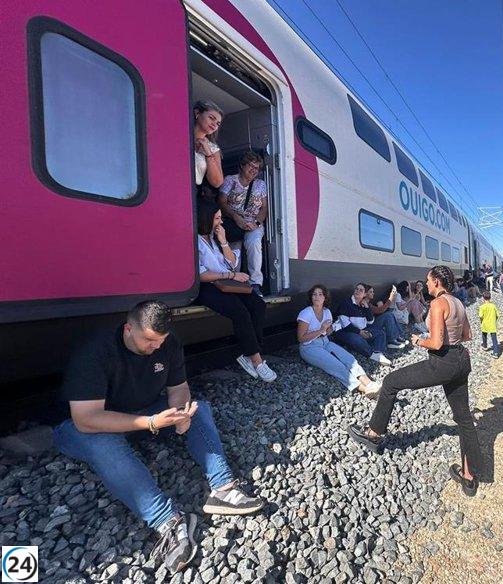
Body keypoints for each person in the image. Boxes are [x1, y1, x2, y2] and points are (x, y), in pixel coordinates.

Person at [53, 301, 263, 574]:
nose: (156, 347)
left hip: (143, 412)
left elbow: (179, 388)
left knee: (199, 410)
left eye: (161, 341)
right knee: (104, 444)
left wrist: (180, 414)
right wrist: (151, 423)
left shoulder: (168, 342)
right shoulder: (96, 352)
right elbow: (86, 418)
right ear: (129, 329)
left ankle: (222, 488)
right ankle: (168, 521)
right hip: (83, 426)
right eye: (149, 340)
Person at [348, 266, 485, 497]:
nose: (427, 284)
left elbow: (436, 344)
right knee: (463, 417)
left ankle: (373, 433)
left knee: (391, 381)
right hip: (461, 359)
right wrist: (446, 340)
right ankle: (469, 477)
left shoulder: (438, 303)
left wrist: (418, 340)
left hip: (442, 362)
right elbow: (467, 336)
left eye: (428, 281)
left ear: (437, 282)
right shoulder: (458, 303)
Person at [194, 200, 277, 382]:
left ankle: (250, 354)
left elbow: (232, 263)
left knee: (258, 305)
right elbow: (199, 274)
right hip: (207, 287)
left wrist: (224, 242)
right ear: (206, 219)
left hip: (226, 282)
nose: (221, 222)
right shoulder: (194, 241)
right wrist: (231, 275)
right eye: (217, 218)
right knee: (240, 311)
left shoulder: (215, 238)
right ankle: (257, 360)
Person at [297, 285, 382, 398]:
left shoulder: (327, 312)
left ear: (325, 297)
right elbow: (301, 338)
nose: (317, 297)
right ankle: (364, 389)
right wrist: (321, 329)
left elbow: (327, 332)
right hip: (309, 347)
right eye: (314, 294)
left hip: (325, 342)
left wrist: (331, 329)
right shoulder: (306, 313)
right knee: (336, 365)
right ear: (311, 297)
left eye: (320, 294)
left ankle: (369, 383)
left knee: (349, 359)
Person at [218, 151, 268, 298]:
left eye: (257, 168)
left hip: (253, 223)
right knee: (234, 251)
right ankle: (234, 283)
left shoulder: (260, 184)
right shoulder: (230, 180)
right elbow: (222, 202)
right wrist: (236, 218)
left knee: (254, 243)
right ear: (242, 166)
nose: (254, 170)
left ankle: (255, 283)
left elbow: (264, 208)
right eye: (251, 166)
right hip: (234, 222)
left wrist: (256, 223)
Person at [331, 283, 392, 365]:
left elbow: (370, 321)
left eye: (361, 290)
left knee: (380, 333)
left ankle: (378, 352)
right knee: (356, 339)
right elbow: (345, 325)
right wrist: (360, 332)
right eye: (356, 289)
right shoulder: (346, 303)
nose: (357, 291)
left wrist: (366, 307)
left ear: (365, 294)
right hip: (344, 331)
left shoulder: (363, 304)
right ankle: (370, 353)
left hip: (360, 330)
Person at [363, 284, 408, 349]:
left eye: (373, 292)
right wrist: (391, 297)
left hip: (371, 324)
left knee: (390, 314)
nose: (373, 293)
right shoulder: (364, 303)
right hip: (368, 328)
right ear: (365, 294)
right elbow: (380, 310)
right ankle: (391, 341)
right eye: (370, 292)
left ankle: (396, 337)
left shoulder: (368, 303)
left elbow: (378, 311)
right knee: (388, 315)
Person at [193, 100, 224, 195]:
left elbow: (217, 182)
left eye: (218, 123)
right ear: (197, 113)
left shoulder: (213, 149)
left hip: (192, 192)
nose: (214, 124)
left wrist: (208, 153)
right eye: (211, 118)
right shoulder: (179, 135)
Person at [479, 291, 500, 358]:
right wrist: (494, 320)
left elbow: (480, 316)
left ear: (483, 298)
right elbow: (497, 315)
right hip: (492, 324)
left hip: (485, 324)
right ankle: (495, 353)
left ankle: (485, 346)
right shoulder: (493, 306)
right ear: (490, 298)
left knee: (484, 335)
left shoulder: (482, 307)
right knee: (494, 339)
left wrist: (481, 321)